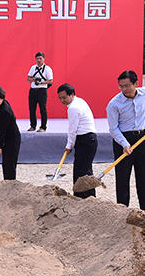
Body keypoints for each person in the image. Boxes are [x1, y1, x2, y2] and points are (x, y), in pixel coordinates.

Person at [106, 70, 145, 210]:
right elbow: (113, 128)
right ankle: (122, 212)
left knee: (143, 176)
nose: (124, 89)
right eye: (121, 86)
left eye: (127, 85)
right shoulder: (114, 104)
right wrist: (125, 144)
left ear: (136, 84)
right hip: (123, 140)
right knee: (122, 178)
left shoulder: (144, 95)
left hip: (142, 140)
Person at [57, 83, 97, 199]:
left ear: (72, 94)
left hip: (85, 140)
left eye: (64, 97)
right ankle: (90, 197)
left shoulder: (73, 108)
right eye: (60, 98)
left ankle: (81, 198)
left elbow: (72, 129)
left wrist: (69, 145)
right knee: (86, 170)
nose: (62, 100)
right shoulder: (79, 101)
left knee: (81, 172)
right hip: (89, 140)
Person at [0, 86, 21, 180]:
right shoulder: (0, 106)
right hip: (7, 138)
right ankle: (7, 183)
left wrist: (0, 146)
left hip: (12, 139)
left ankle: (10, 184)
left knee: (9, 164)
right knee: (5, 163)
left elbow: (3, 131)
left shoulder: (5, 111)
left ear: (2, 99)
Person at [27, 52, 53, 132]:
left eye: (40, 58)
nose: (38, 60)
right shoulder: (33, 67)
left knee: (42, 109)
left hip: (42, 90)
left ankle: (43, 127)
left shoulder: (47, 69)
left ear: (44, 59)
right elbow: (28, 78)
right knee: (32, 109)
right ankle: (33, 126)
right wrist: (34, 80)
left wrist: (41, 82)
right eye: (37, 58)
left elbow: (50, 81)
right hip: (33, 90)